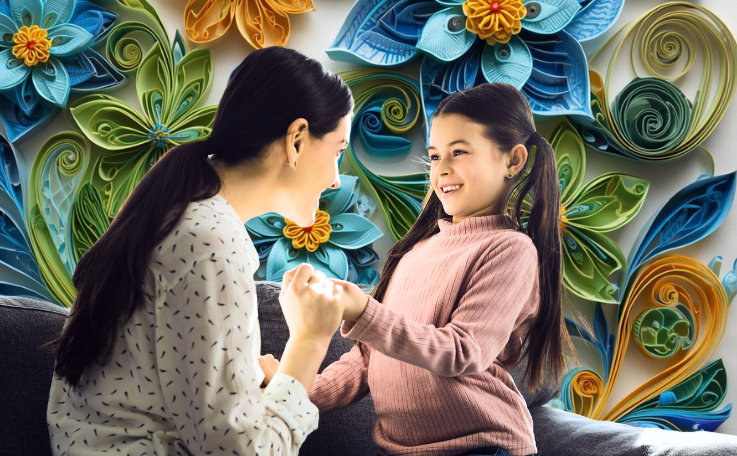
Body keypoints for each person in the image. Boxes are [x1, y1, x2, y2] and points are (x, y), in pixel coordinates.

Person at [42, 46, 358, 456]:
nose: (336, 179)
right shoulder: (210, 242)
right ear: (296, 139)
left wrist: (261, 387)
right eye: (337, 151)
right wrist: (311, 339)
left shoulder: (183, 218)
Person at [308, 82, 582, 456]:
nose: (443, 169)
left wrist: (365, 312)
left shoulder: (509, 249)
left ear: (513, 161)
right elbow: (367, 357)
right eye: (436, 157)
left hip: (481, 447)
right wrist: (297, 391)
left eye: (459, 152)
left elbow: (463, 351)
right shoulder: (416, 251)